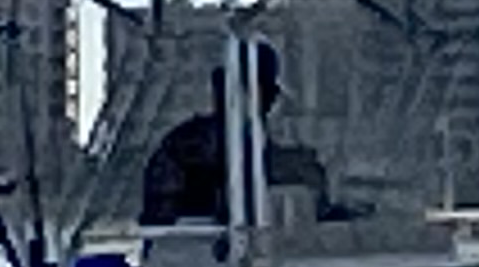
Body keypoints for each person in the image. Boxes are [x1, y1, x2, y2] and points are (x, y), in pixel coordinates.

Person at [137, 44, 333, 226]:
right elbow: (160, 226)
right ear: (218, 87)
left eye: (254, 90)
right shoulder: (183, 148)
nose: (241, 99)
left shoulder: (288, 164)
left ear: (271, 98)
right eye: (233, 87)